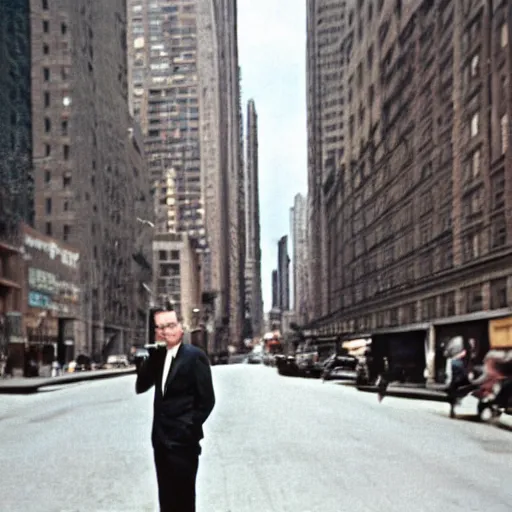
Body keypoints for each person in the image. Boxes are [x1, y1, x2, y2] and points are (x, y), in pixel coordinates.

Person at [136, 307, 215, 512]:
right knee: (166, 500)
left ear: (181, 328)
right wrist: (151, 356)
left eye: (170, 325)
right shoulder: (158, 358)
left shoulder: (194, 356)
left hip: (183, 444)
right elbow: (141, 386)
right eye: (160, 327)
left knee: (184, 500)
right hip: (161, 442)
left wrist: (187, 428)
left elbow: (207, 400)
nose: (165, 331)